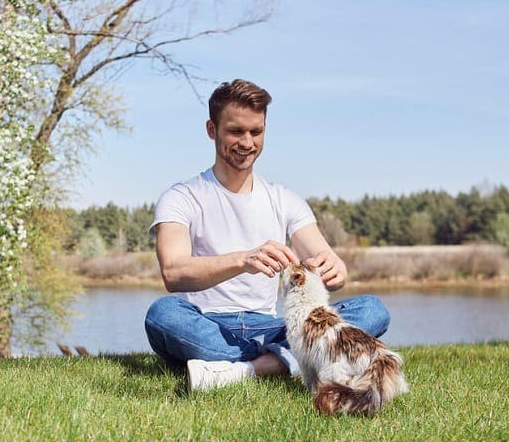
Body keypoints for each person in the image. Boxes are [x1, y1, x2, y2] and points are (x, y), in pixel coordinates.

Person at [144, 78, 390, 392]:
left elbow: (330, 268)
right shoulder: (181, 197)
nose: (247, 142)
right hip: (207, 323)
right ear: (211, 129)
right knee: (162, 315)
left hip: (274, 326)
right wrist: (244, 260)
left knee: (371, 310)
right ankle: (286, 361)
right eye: (236, 131)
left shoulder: (284, 199)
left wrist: (334, 270)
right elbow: (173, 273)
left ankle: (240, 370)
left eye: (256, 132)